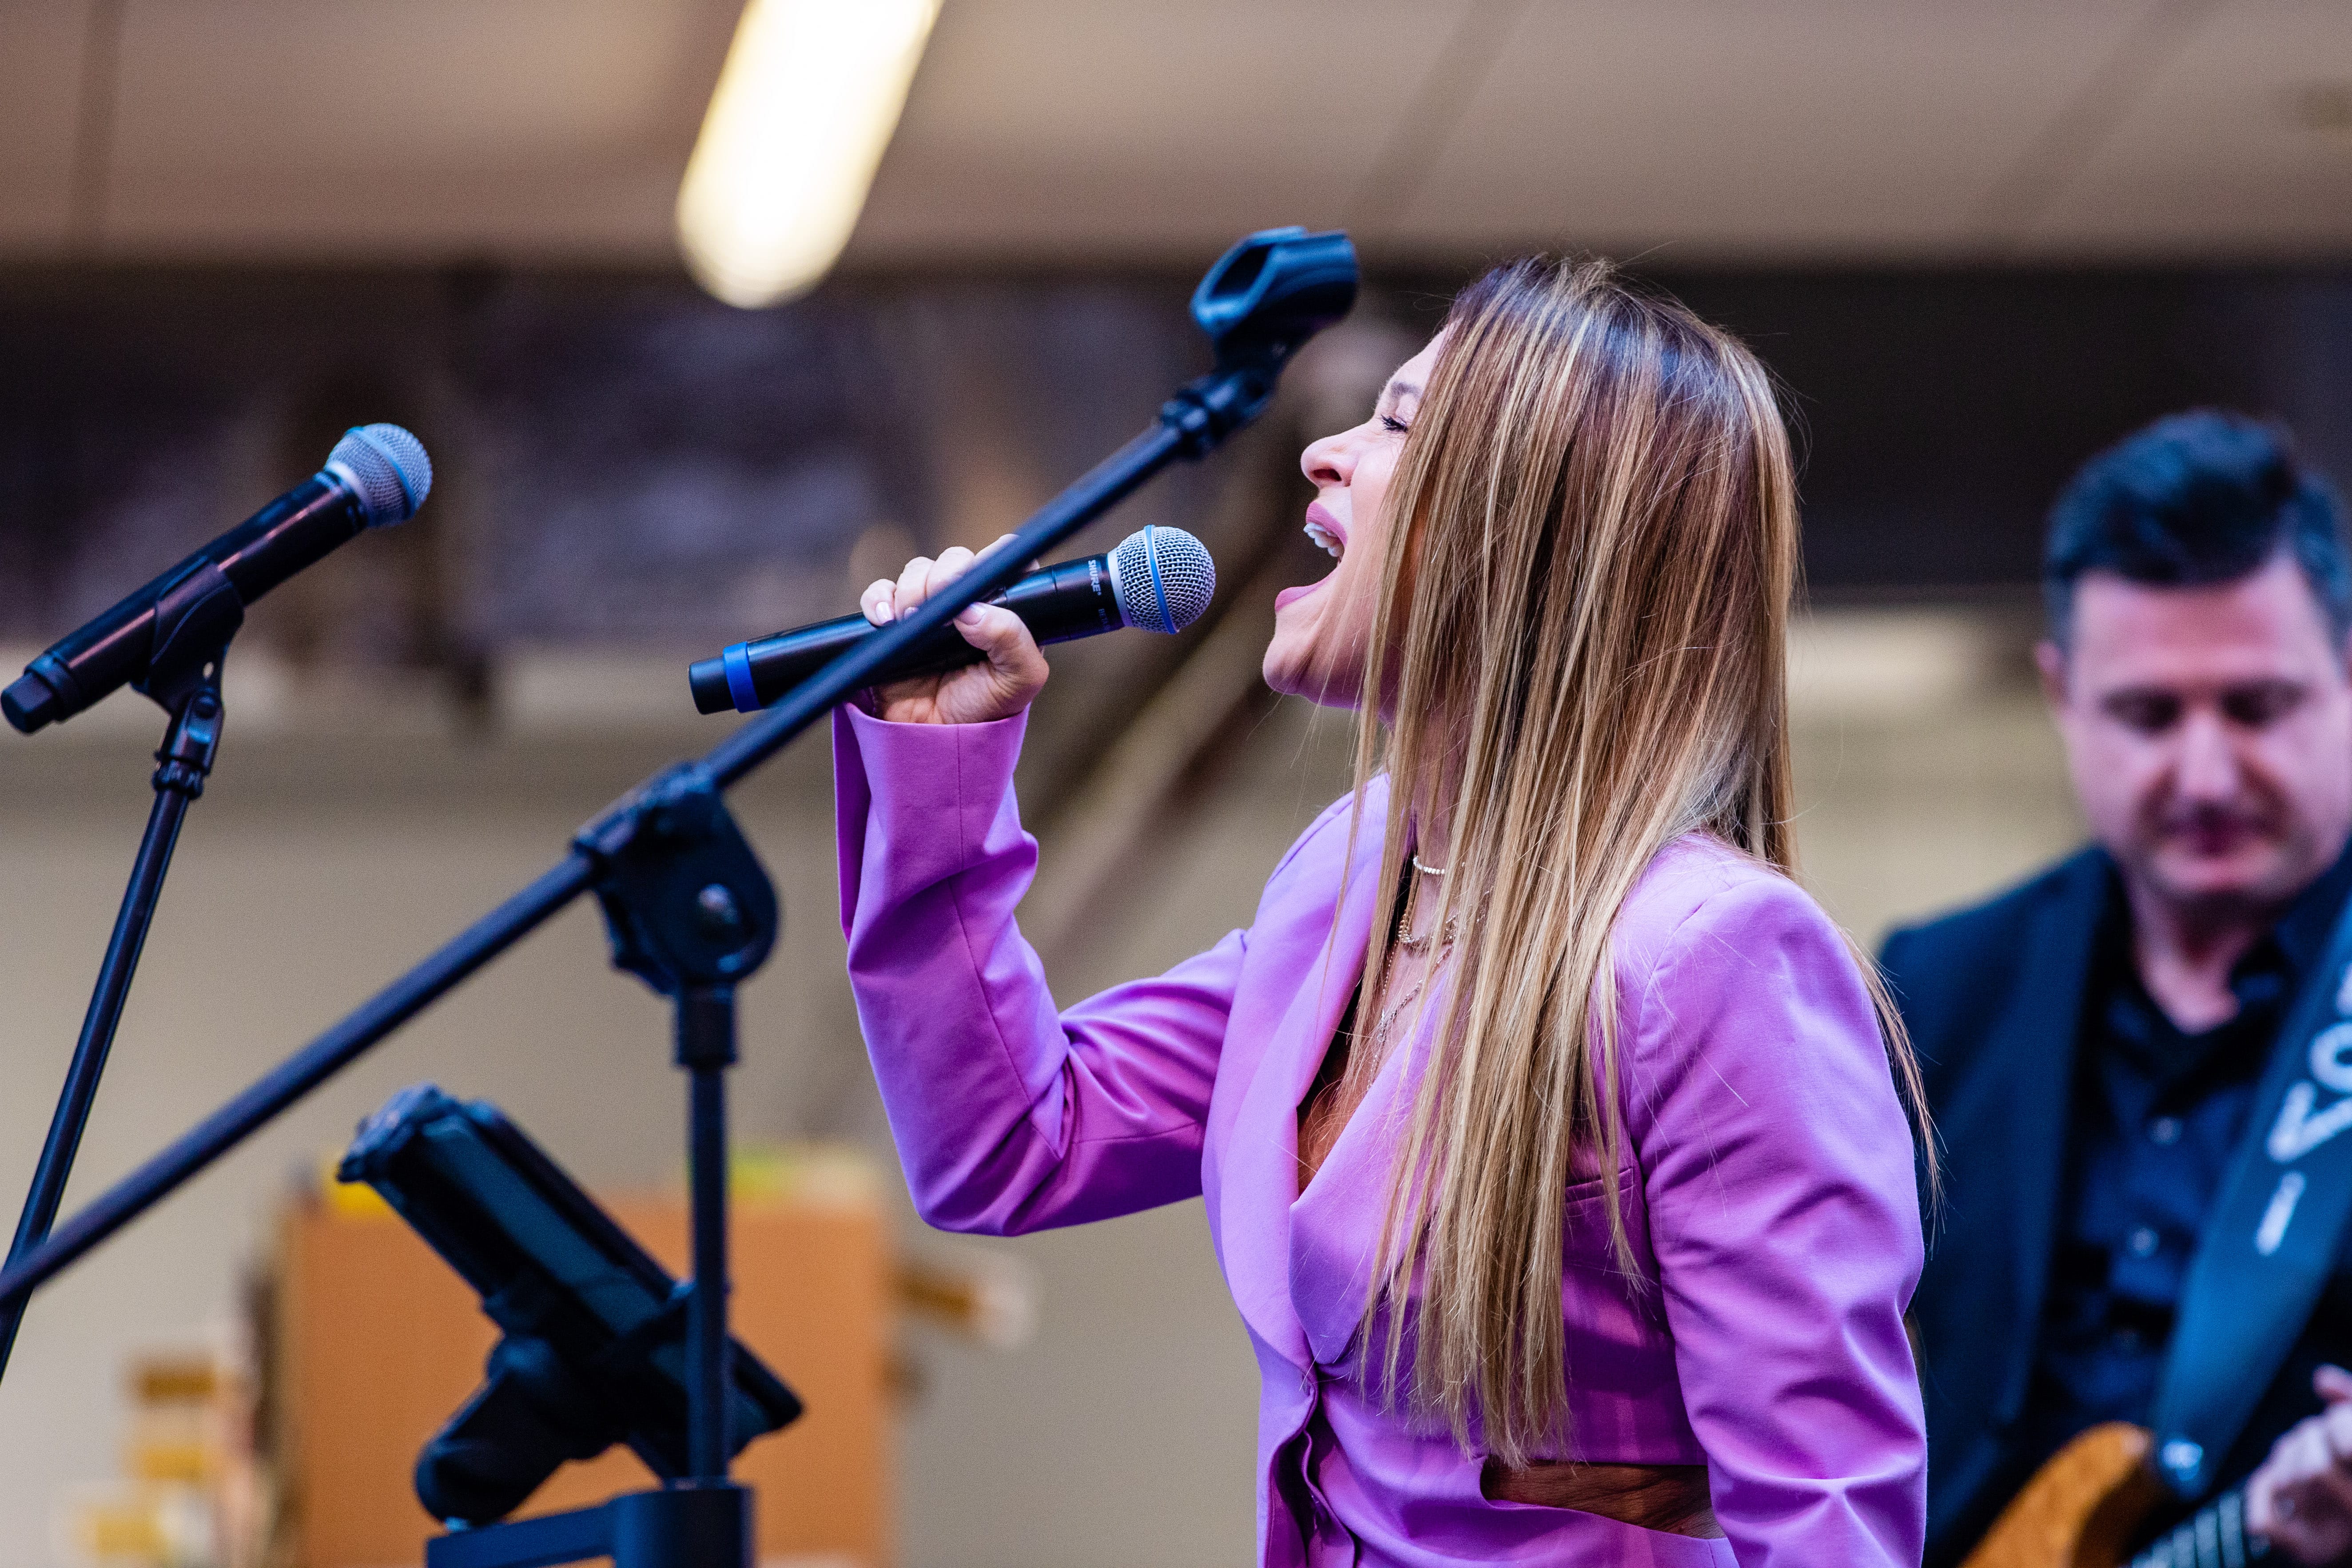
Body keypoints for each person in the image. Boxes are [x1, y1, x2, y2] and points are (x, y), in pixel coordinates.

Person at [837, 258, 1930, 1567]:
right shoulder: (1343, 883)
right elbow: (1012, 1142)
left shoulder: (1708, 958)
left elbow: (1827, 1524)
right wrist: (938, 769)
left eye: (1399, 422)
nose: (1325, 454)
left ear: (1533, 533)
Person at [1884, 411, 2352, 1566]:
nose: (2206, 774)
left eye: (2257, 707)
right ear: (2061, 694)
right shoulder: (1939, 987)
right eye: (2148, 715)